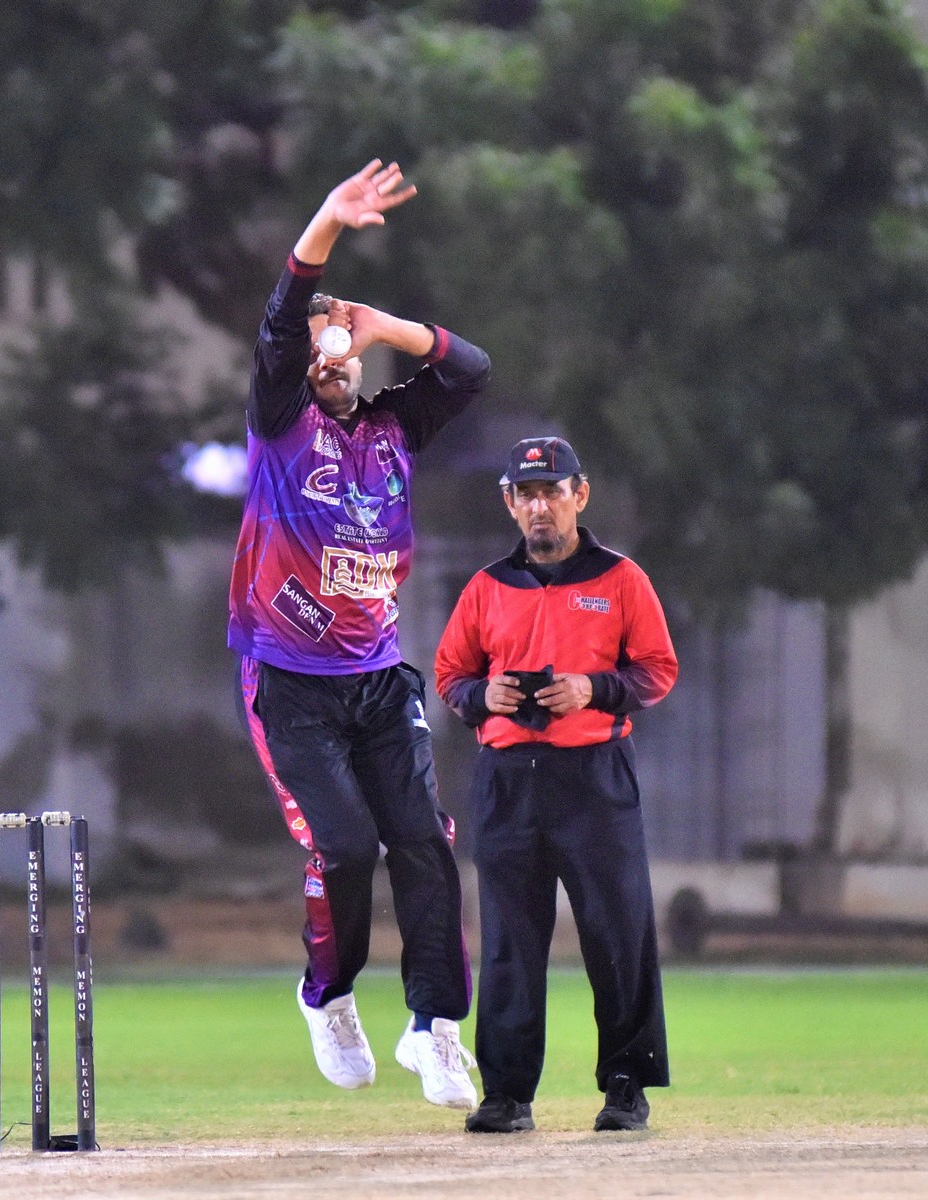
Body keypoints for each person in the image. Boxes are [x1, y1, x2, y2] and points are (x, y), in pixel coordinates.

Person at [230, 160, 490, 1110]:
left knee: (422, 842)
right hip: (288, 680)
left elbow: (468, 370)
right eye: (317, 352)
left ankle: (434, 1029)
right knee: (344, 848)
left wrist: (386, 326)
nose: (330, 361)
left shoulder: (390, 429)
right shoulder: (279, 425)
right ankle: (327, 997)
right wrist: (326, 226)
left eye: (342, 350)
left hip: (378, 680)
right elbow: (279, 319)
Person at [433, 435, 678, 1134]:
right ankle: (507, 1095)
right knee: (508, 942)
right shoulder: (487, 586)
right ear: (509, 503)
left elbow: (657, 670)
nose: (540, 506)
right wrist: (484, 696)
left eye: (552, 491)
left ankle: (626, 1086)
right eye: (527, 494)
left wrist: (591, 689)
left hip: (594, 778)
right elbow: (450, 675)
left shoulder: (620, 578)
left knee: (617, 933)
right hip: (508, 781)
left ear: (580, 495)